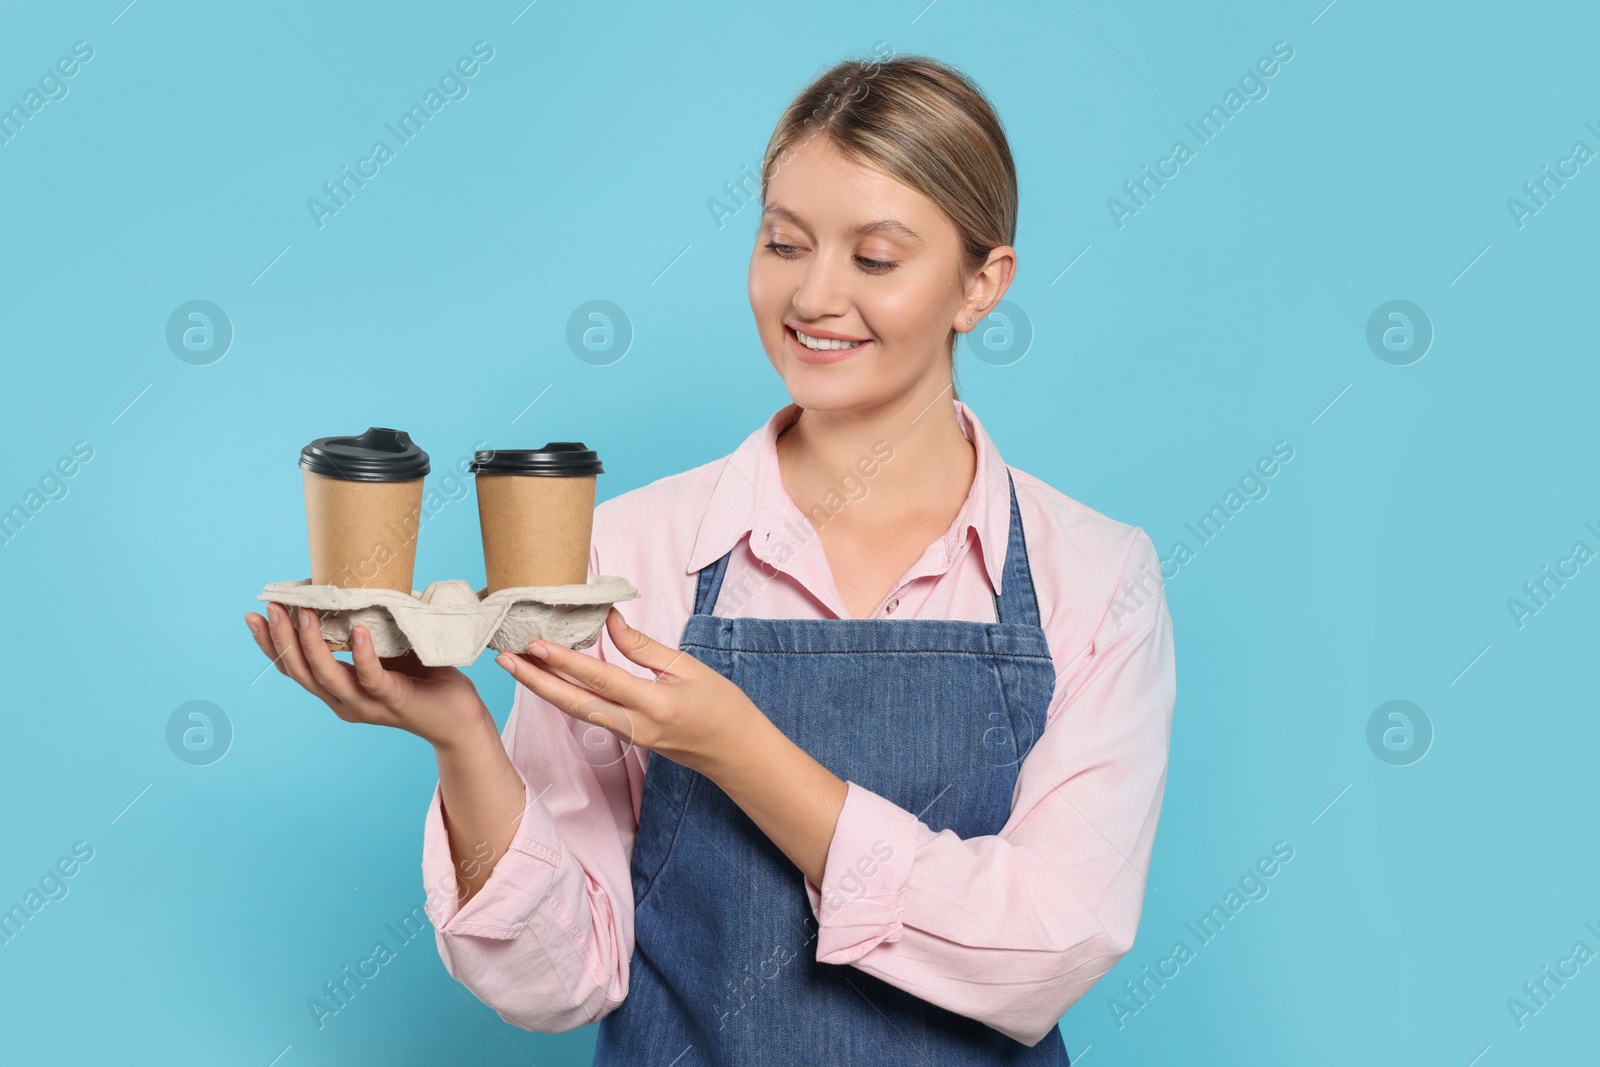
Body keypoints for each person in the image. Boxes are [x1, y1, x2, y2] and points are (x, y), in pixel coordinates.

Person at [245, 53, 1176, 1066]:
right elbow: (561, 979)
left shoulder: (1095, 574)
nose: (812, 295)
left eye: (874, 259)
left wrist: (739, 747)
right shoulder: (627, 552)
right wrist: (462, 737)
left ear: (979, 284)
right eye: (782, 242)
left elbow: (1046, 945)